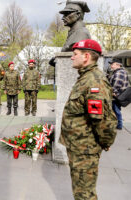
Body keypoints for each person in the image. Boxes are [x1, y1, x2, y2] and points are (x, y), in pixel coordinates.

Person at [59, 39, 117, 200]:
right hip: (79, 147)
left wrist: (106, 142)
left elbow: (102, 120)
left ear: (86, 57)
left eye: (75, 54)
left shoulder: (94, 81)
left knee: (84, 194)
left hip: (85, 150)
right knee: (80, 191)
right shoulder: (86, 77)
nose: (72, 57)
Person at [108, 58, 130, 130]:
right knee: (115, 110)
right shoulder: (118, 72)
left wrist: (113, 93)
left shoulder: (119, 72)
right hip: (118, 95)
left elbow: (116, 85)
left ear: (118, 65)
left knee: (116, 110)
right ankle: (117, 124)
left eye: (112, 64)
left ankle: (119, 125)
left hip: (116, 96)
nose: (111, 66)